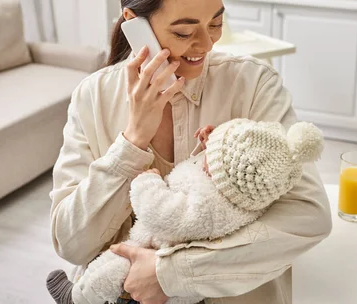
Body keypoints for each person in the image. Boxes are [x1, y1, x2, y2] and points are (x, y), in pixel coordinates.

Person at [49, 0, 332, 304]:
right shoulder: (93, 97)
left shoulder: (253, 84)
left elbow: (308, 215)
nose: (205, 44)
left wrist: (172, 274)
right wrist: (133, 141)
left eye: (215, 23)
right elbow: (70, 243)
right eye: (183, 32)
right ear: (135, 25)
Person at [46, 119, 324, 304]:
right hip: (156, 252)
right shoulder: (244, 197)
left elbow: (165, 215)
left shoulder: (207, 206)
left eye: (210, 160)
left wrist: (147, 182)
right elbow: (217, 170)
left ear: (220, 177)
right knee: (112, 261)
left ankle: (78, 298)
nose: (202, 160)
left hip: (155, 250)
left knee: (113, 268)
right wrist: (210, 144)